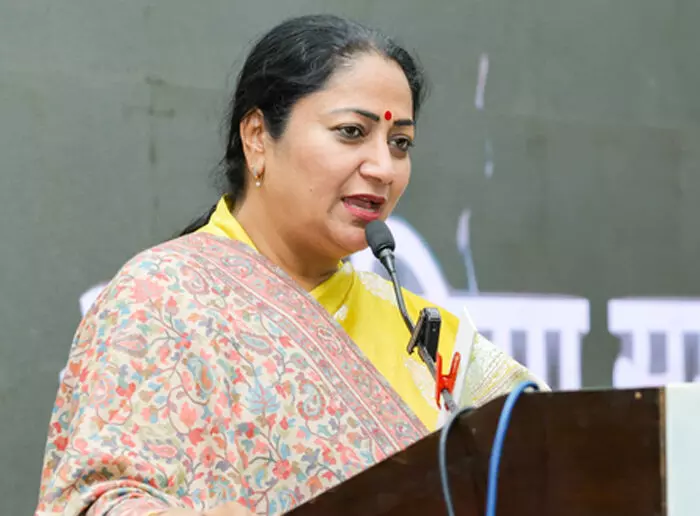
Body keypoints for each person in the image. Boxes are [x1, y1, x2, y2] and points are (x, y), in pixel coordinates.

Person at [35, 14, 545, 516]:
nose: (383, 168)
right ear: (257, 136)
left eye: (400, 143)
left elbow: (545, 470)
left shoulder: (432, 340)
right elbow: (94, 502)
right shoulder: (163, 300)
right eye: (351, 132)